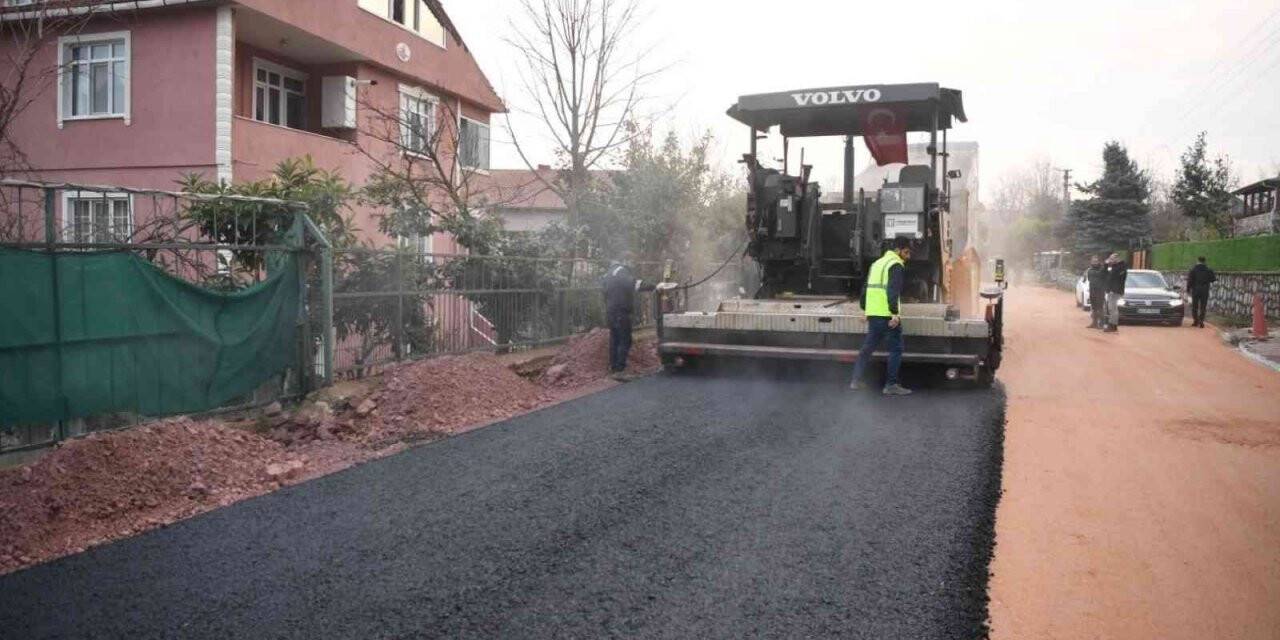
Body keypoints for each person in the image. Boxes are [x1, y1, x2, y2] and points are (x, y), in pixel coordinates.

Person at [850, 237, 912, 395]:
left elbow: (865, 289)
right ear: (898, 250)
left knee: (867, 348)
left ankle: (855, 381)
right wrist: (894, 314)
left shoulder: (876, 264)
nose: (908, 256)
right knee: (896, 349)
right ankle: (891, 385)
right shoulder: (896, 265)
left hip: (874, 315)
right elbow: (893, 291)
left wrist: (865, 309)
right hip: (887, 316)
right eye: (906, 252)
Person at [601, 260, 658, 380]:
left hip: (611, 312)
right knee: (625, 339)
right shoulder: (621, 272)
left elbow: (605, 293)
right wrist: (654, 286)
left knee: (614, 339)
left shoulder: (608, 274)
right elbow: (634, 284)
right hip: (621, 311)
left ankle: (613, 368)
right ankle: (620, 370)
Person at [1186, 256, 1216, 328]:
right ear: (1204, 261)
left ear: (1198, 260)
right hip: (1205, 290)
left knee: (1195, 306)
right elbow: (1213, 279)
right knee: (1203, 306)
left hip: (1195, 289)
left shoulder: (1193, 269)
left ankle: (1195, 321)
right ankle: (1201, 321)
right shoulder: (1208, 269)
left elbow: (1190, 281)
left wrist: (1188, 289)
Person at [1103, 252, 1127, 333]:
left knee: (1113, 309)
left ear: (1117, 258)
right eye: (1110, 258)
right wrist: (1106, 265)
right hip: (1111, 290)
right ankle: (1112, 325)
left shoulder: (1121, 267)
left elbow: (1116, 278)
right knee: (1111, 308)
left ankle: (1113, 326)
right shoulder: (1115, 266)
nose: (1110, 260)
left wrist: (1113, 290)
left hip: (1115, 291)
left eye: (1112, 258)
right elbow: (1105, 274)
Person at [1086, 255, 1108, 329]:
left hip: (1100, 291)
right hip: (1092, 291)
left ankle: (1101, 324)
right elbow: (1089, 280)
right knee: (1094, 308)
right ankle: (1094, 323)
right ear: (1091, 262)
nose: (1094, 262)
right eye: (1093, 261)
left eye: (1096, 261)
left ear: (1099, 261)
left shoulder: (1103, 269)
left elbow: (1104, 277)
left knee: (1100, 308)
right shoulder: (1089, 270)